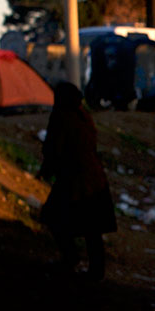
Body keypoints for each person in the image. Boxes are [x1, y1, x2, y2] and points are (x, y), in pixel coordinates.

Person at [39, 81, 117, 280]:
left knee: (54, 218)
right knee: (92, 228)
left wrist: (47, 170)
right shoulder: (83, 116)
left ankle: (70, 259)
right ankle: (95, 270)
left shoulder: (62, 117)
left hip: (75, 180)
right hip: (93, 178)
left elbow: (54, 148)